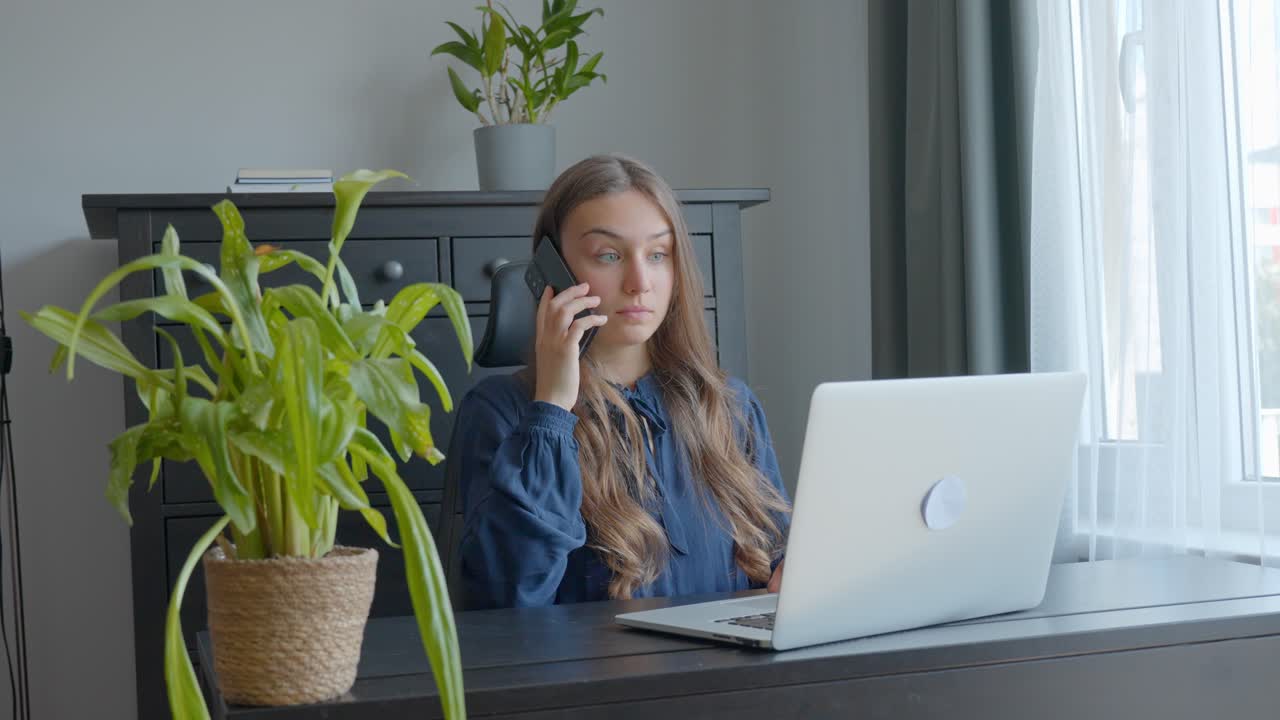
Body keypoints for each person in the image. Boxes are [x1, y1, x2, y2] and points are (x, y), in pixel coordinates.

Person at [454, 153, 791, 609]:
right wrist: (551, 409)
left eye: (658, 254)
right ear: (552, 270)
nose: (639, 282)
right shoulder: (502, 412)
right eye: (609, 255)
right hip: (591, 679)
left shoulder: (731, 407)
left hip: (727, 677)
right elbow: (507, 600)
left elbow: (777, 560)